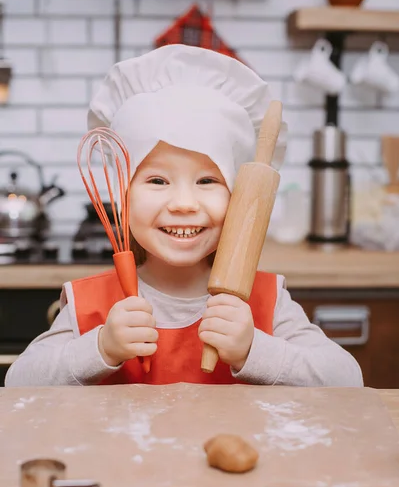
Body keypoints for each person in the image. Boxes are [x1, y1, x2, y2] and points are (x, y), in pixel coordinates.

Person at [5, 45, 363, 388]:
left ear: (238, 197)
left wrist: (255, 349)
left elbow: (347, 379)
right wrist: (100, 348)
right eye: (157, 180)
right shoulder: (93, 303)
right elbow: (18, 382)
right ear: (122, 196)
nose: (183, 203)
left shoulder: (265, 300)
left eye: (207, 180)